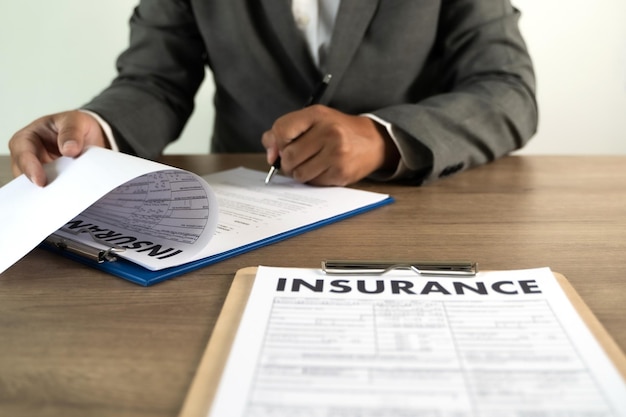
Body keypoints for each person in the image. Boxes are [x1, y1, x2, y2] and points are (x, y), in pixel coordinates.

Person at [9, 0, 537, 187]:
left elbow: (508, 89)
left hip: (417, 211)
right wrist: (94, 128)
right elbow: (155, 79)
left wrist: (381, 139)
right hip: (240, 215)